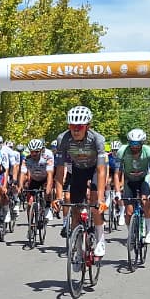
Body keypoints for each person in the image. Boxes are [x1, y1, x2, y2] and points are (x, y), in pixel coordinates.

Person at [51, 106, 108, 258]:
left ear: (87, 126)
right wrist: (58, 197)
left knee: (95, 204)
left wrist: (101, 199)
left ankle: (100, 238)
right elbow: (60, 171)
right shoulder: (63, 139)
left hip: (94, 169)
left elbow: (101, 170)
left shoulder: (97, 139)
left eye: (80, 127)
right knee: (75, 208)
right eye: (72, 126)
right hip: (78, 170)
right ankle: (77, 248)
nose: (75, 130)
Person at [117, 129, 150, 245]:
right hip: (129, 180)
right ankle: (131, 233)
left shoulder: (149, 152)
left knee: (145, 201)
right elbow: (117, 173)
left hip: (144, 179)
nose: (134, 146)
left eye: (137, 143)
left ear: (142, 143)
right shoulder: (122, 152)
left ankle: (149, 231)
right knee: (129, 212)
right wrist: (117, 192)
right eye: (132, 143)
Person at [18, 138, 54, 233]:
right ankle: (30, 225)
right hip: (34, 180)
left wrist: (48, 188)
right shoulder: (27, 159)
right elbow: (22, 173)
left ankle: (47, 207)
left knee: (47, 190)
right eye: (32, 152)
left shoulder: (47, 157)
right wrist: (20, 186)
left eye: (36, 152)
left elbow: (50, 174)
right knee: (30, 203)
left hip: (45, 178)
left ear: (41, 151)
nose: (34, 154)